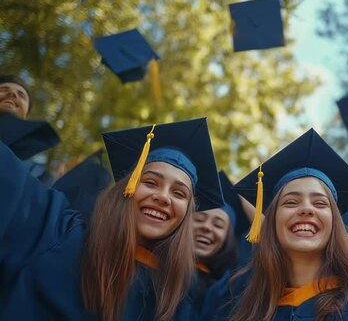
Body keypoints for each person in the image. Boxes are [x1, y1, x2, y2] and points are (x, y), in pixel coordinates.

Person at [0, 117, 225, 320]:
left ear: (187, 213)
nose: (163, 197)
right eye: (150, 182)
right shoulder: (58, 229)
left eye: (179, 193)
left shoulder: (174, 302)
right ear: (125, 188)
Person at [209, 129, 348, 321]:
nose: (306, 209)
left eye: (320, 203)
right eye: (291, 202)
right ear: (271, 221)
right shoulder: (246, 308)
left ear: (336, 222)